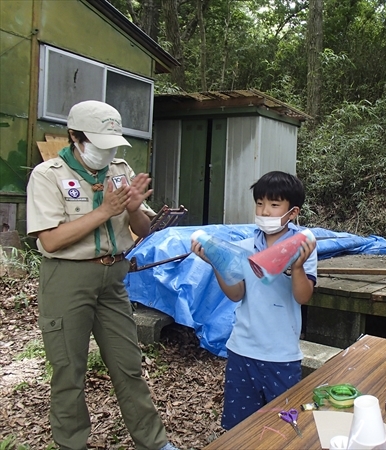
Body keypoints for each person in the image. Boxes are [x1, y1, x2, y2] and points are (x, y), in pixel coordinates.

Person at [26, 100, 178, 449]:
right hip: (67, 279)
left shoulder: (119, 170)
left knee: (128, 367)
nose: (106, 153)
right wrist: (105, 210)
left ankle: (153, 442)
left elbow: (141, 229)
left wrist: (136, 208)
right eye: (98, 145)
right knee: (68, 372)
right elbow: (51, 239)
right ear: (75, 137)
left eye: (112, 146)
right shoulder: (49, 176)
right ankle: (72, 443)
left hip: (114, 278)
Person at [191, 171, 318, 430]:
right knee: (239, 429)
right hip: (242, 350)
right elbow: (236, 293)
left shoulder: (302, 247)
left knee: (283, 430)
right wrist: (216, 262)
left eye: (274, 204)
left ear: (292, 212)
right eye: (260, 203)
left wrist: (297, 268)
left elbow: (303, 297)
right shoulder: (246, 246)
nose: (265, 211)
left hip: (281, 355)